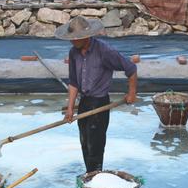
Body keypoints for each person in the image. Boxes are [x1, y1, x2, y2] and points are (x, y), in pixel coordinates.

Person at [55, 16, 138, 173]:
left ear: (86, 37)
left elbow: (131, 69)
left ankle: (96, 176)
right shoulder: (74, 53)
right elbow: (73, 82)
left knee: (96, 144)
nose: (72, 41)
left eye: (75, 38)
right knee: (85, 142)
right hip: (85, 102)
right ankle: (90, 174)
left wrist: (131, 93)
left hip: (100, 103)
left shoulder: (105, 51)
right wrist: (70, 108)